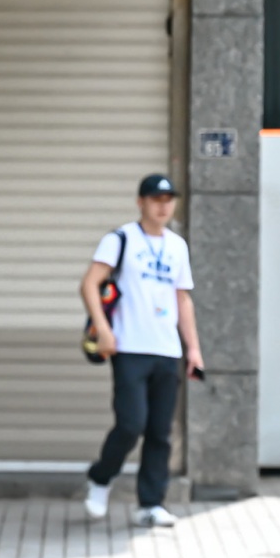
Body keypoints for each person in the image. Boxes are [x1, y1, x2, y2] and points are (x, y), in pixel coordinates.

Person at [79, 173, 203, 527]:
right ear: (141, 202)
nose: (162, 206)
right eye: (155, 199)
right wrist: (103, 330)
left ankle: (150, 503)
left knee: (159, 431)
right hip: (129, 347)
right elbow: (90, 284)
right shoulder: (120, 239)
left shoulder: (177, 246)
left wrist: (193, 349)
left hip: (167, 349)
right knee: (131, 424)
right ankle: (101, 478)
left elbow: (182, 298)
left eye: (168, 199)